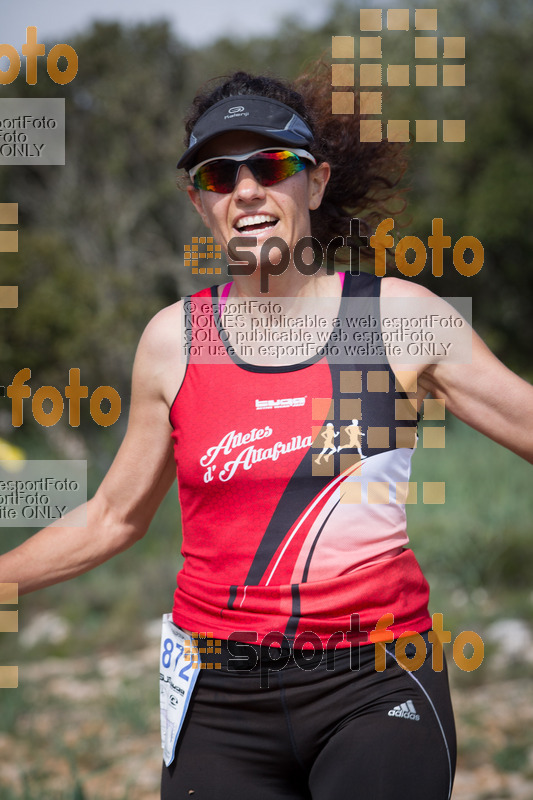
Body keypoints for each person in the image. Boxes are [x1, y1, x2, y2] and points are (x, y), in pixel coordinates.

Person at [1, 67, 532, 800]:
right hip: (217, 700)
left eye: (272, 165)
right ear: (199, 202)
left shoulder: (392, 318)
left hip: (373, 684)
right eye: (219, 174)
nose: (246, 189)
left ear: (313, 184)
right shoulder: (173, 342)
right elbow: (114, 516)